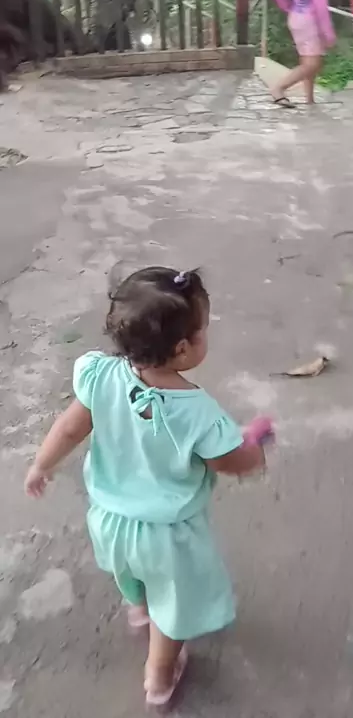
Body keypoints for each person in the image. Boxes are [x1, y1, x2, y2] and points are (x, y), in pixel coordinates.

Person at [25, 266, 269, 710]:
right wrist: (253, 452)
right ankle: (159, 675)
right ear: (182, 349)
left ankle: (138, 609)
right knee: (171, 609)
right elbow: (228, 461)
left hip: (109, 520)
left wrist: (42, 464)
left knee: (132, 576)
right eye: (203, 330)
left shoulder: (100, 376)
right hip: (167, 536)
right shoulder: (198, 412)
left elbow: (70, 428)